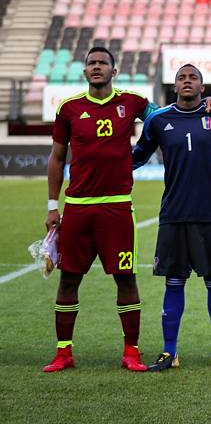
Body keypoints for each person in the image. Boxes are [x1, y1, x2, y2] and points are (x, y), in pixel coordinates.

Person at [42, 47, 157, 372]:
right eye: (91, 63)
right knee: (68, 280)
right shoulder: (69, 108)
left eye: (102, 63)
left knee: (125, 278)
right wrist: (53, 205)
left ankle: (131, 351)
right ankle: (64, 352)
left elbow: (164, 117)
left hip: (117, 208)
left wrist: (205, 106)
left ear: (114, 70)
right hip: (77, 208)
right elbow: (57, 157)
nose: (96, 67)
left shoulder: (132, 103)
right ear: (84, 72)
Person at [132, 64, 211, 373]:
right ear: (175, 86)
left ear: (202, 86)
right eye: (182, 77)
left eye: (193, 77)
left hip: (210, 214)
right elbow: (136, 157)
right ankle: (169, 352)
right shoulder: (158, 120)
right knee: (174, 282)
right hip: (173, 214)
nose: (187, 81)